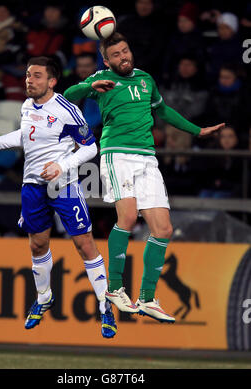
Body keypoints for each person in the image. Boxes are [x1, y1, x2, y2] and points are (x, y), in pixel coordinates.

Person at [63, 32, 224, 323]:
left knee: (163, 229)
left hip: (147, 158)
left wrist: (197, 131)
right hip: (118, 154)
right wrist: (88, 84)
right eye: (116, 55)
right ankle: (113, 288)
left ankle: (147, 298)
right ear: (106, 60)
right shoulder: (101, 79)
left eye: (125, 51)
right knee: (127, 218)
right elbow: (67, 97)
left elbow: (162, 110)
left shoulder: (146, 79)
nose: (123, 57)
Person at [0, 56, 117, 339]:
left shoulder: (67, 110)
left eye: (37, 75)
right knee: (38, 244)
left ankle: (106, 305)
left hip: (63, 186)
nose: (29, 80)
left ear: (52, 81)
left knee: (84, 244)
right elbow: (26, 135)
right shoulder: (27, 105)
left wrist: (61, 166)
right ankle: (44, 297)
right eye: (28, 74)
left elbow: (90, 148)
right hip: (32, 186)